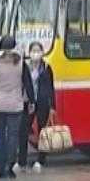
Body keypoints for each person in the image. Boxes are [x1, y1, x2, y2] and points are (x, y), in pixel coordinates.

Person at [0, 36, 35, 178]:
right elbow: (28, 83)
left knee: (0, 136)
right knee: (13, 136)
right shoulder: (20, 63)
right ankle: (10, 166)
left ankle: (0, 166)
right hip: (15, 104)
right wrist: (32, 101)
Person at [18, 41, 56, 173]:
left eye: (38, 50)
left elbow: (51, 87)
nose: (35, 53)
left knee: (42, 132)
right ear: (29, 52)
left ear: (42, 52)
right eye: (33, 50)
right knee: (23, 131)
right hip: (27, 102)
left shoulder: (46, 67)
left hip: (42, 103)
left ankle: (41, 160)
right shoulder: (25, 67)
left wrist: (53, 106)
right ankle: (21, 161)